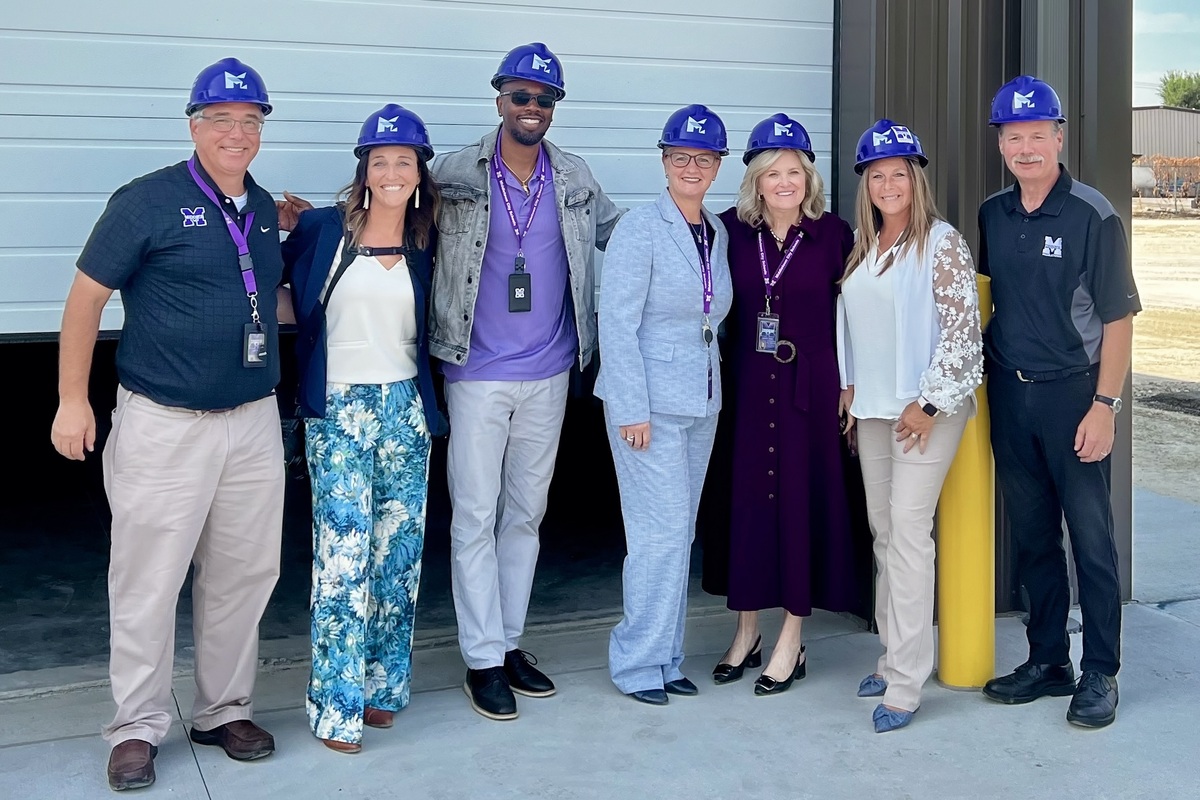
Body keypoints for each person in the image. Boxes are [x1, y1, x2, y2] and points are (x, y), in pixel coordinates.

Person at [50, 57, 283, 790]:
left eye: (250, 121)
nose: (236, 133)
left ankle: (221, 709)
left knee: (244, 575)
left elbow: (263, 294)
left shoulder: (264, 206)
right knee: (147, 580)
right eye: (222, 120)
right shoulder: (147, 202)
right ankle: (136, 726)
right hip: (163, 422)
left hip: (251, 422)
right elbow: (85, 300)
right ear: (194, 126)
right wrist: (72, 400)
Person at [429, 42, 622, 720]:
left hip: (549, 370)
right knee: (475, 516)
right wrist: (309, 225)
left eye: (544, 99)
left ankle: (509, 642)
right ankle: (481, 658)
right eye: (521, 96)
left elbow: (619, 238)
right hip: (475, 371)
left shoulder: (573, 175)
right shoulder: (451, 173)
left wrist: (705, 234)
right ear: (499, 99)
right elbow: (387, 218)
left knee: (526, 516)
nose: (532, 108)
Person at [281, 104, 448, 753]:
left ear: (419, 173)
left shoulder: (429, 240)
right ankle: (335, 705)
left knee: (396, 556)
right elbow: (268, 271)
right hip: (340, 408)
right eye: (380, 161)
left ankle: (380, 688)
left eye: (404, 161)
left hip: (406, 405)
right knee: (343, 559)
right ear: (364, 170)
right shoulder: (323, 229)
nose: (391, 171)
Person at [978, 76, 1138, 729]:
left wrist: (1106, 404)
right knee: (1035, 538)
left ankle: (1100, 669)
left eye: (1037, 134)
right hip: (1012, 399)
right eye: (1013, 137)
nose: (1025, 147)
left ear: (1059, 136)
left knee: (1091, 539)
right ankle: (1049, 661)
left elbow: (1121, 320)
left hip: (1077, 395)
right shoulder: (993, 213)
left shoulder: (1093, 215)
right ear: (1001, 144)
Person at [836, 119, 984, 732]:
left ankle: (905, 683)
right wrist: (848, 386)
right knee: (882, 532)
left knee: (908, 530)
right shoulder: (864, 246)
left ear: (915, 179)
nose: (888, 183)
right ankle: (893, 651)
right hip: (872, 407)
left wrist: (928, 403)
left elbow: (963, 333)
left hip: (925, 408)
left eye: (899, 173)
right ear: (866, 184)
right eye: (878, 175)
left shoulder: (940, 242)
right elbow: (852, 325)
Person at [712, 114, 858, 695]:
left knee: (801, 505)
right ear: (755, 180)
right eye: (773, 172)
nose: (785, 181)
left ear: (809, 177)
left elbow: (857, 317)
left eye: (794, 170)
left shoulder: (836, 235)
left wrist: (853, 383)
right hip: (748, 388)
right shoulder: (729, 233)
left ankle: (791, 639)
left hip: (810, 390)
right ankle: (745, 631)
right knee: (747, 506)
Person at [595, 104, 733, 706]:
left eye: (703, 158)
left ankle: (667, 655)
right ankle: (637, 663)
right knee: (656, 535)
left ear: (719, 166)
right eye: (681, 157)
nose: (692, 167)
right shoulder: (638, 228)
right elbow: (617, 324)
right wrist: (631, 408)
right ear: (664, 162)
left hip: (701, 400)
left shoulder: (718, 230)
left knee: (679, 532)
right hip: (645, 404)